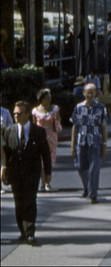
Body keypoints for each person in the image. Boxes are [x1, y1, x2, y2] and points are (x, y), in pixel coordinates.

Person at [1, 101, 52, 245]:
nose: (16, 116)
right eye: (14, 113)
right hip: (15, 174)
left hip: (32, 173)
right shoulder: (8, 131)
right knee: (19, 203)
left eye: (19, 113)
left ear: (27, 114)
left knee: (30, 201)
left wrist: (47, 172)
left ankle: (30, 232)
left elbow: (45, 153)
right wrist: (4, 169)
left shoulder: (38, 131)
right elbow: (5, 153)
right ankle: (22, 231)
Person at [71, 83, 107, 203]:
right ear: (84, 93)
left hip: (95, 141)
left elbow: (104, 126)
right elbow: (75, 126)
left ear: (96, 93)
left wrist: (105, 144)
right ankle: (87, 187)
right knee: (80, 166)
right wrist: (72, 144)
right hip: (81, 141)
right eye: (88, 92)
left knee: (94, 168)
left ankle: (93, 194)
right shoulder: (78, 107)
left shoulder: (101, 107)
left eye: (93, 92)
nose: (90, 94)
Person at [31, 89, 61, 191]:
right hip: (40, 137)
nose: (49, 99)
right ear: (42, 99)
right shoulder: (35, 111)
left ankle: (48, 183)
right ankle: (42, 183)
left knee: (49, 160)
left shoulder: (54, 109)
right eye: (47, 97)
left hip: (51, 137)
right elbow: (34, 125)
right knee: (40, 160)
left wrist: (56, 119)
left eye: (50, 97)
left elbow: (58, 123)